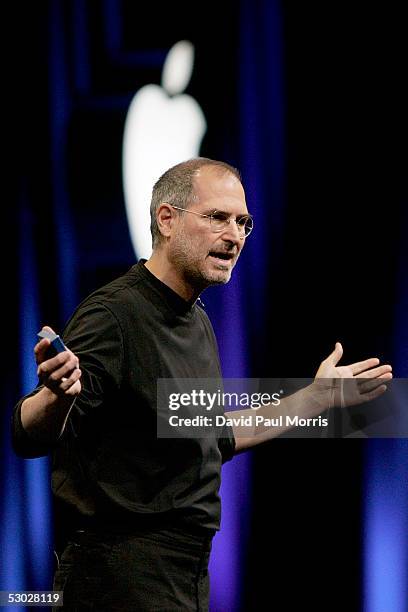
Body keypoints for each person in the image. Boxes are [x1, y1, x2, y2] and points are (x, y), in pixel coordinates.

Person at [12, 158, 392, 611]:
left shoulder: (197, 321)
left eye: (243, 222)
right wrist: (56, 396)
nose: (234, 236)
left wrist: (315, 398)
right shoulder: (114, 315)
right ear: (167, 219)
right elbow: (27, 432)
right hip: (118, 579)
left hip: (185, 575)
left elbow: (211, 437)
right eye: (218, 217)